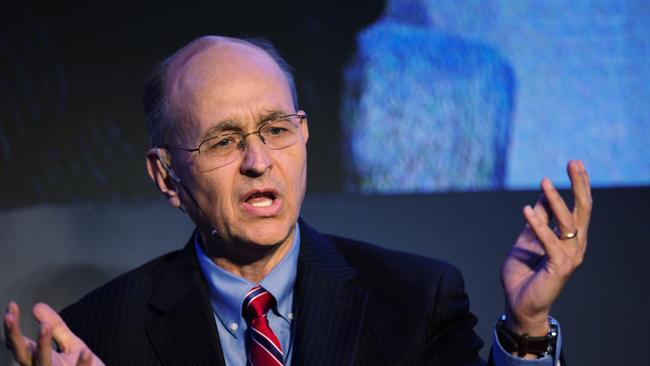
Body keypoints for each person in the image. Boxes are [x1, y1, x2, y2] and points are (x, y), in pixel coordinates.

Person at [3, 35, 591, 366]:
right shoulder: (97, 335)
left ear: (304, 135)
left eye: (277, 129)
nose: (259, 161)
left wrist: (527, 326)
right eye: (224, 141)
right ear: (166, 176)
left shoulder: (415, 300)